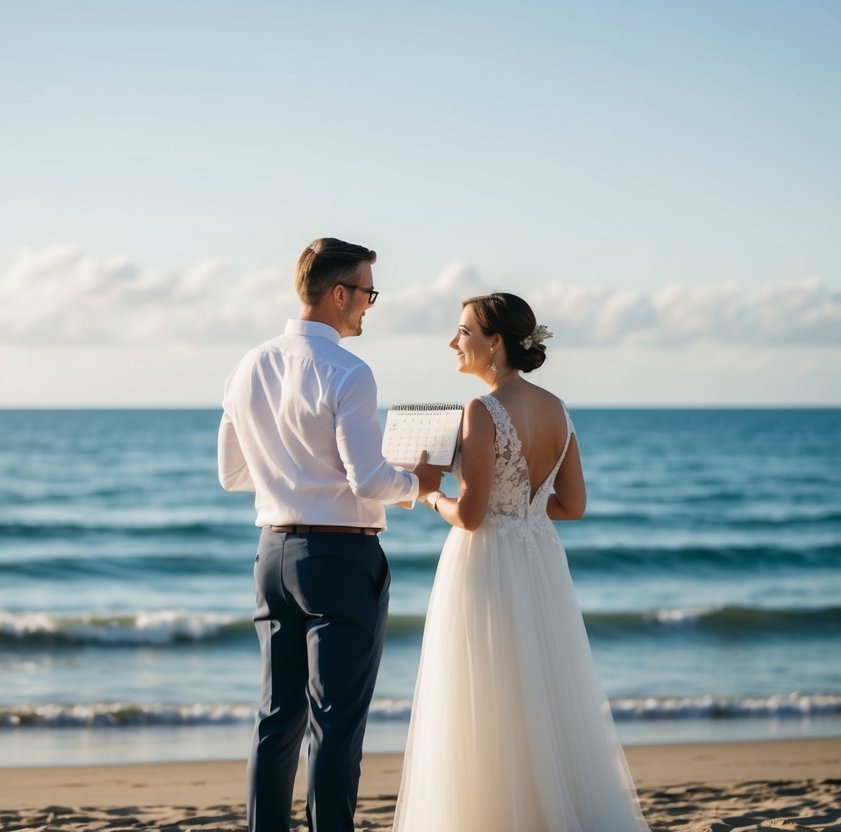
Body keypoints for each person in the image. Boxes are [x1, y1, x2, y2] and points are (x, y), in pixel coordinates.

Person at [392, 293, 650, 831]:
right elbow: (573, 506)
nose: (452, 342)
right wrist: (527, 511)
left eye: (462, 332)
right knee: (539, 688)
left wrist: (426, 494)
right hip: (539, 561)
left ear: (495, 343)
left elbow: (469, 514)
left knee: (486, 692)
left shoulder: (481, 410)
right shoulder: (556, 408)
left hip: (485, 563)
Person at [218, 237, 445, 832]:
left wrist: (290, 476)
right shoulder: (347, 369)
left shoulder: (248, 365)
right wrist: (418, 481)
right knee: (336, 723)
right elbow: (370, 480)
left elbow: (231, 474)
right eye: (368, 292)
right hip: (340, 558)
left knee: (276, 717)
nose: (370, 304)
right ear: (339, 294)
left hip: (272, 552)